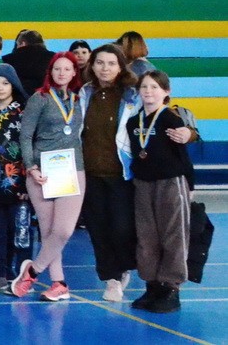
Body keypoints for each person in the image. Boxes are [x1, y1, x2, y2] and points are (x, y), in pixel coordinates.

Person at [12, 52, 86, 301]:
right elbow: (25, 136)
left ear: (74, 72)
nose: (62, 73)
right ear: (50, 72)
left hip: (72, 169)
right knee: (48, 231)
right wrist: (31, 167)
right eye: (57, 69)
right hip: (42, 170)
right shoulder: (39, 98)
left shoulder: (80, 99)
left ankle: (32, 271)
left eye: (67, 69)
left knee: (63, 230)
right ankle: (59, 283)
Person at [78, 43, 142, 302]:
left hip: (122, 175)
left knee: (122, 228)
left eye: (111, 63)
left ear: (121, 67)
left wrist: (188, 132)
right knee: (98, 229)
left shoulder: (132, 95)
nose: (105, 68)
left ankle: (124, 266)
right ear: (92, 66)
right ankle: (111, 278)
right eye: (100, 63)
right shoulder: (84, 92)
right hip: (90, 174)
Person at [128, 71, 194, 313]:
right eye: (144, 87)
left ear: (166, 92)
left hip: (170, 183)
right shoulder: (133, 122)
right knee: (146, 237)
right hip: (143, 183)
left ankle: (171, 287)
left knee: (173, 235)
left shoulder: (170, 118)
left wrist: (190, 185)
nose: (148, 91)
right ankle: (152, 285)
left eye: (154, 87)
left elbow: (183, 151)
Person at [0, 64, 32, 293]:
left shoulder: (25, 111)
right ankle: (1, 275)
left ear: (14, 85)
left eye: (5, 83)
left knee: (21, 231)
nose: (0, 88)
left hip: (20, 184)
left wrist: (28, 184)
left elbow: (31, 146)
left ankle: (23, 277)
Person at [3, 29, 55, 96]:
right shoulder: (53, 58)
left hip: (18, 98)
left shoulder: (9, 60)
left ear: (23, 43)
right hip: (47, 97)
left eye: (17, 45)